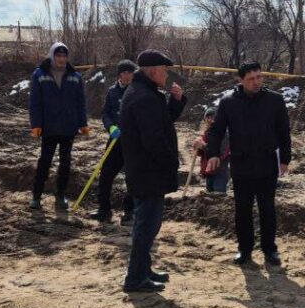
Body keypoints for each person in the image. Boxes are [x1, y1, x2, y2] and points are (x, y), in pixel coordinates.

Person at [206, 61, 291, 266]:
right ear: (240, 80)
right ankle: (244, 249)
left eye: (259, 77)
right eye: (251, 78)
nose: (256, 82)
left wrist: (285, 159)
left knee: (267, 208)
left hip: (267, 163)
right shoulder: (228, 102)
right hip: (241, 164)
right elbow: (217, 130)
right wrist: (213, 153)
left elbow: (284, 131)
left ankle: (269, 249)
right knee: (242, 209)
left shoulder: (274, 100)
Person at [120, 49, 187, 293]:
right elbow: (154, 139)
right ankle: (135, 278)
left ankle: (142, 270)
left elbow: (163, 121)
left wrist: (176, 102)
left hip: (145, 172)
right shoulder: (144, 97)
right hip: (148, 173)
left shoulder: (145, 93)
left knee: (146, 225)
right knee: (146, 227)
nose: (167, 75)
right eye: (165, 70)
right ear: (153, 71)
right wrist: (171, 162)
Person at [28, 42, 88, 211]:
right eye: (58, 56)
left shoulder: (75, 76)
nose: (61, 59)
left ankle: (60, 195)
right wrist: (36, 124)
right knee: (45, 162)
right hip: (49, 127)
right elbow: (35, 103)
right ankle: (36, 196)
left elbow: (80, 103)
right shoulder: (40, 75)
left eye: (64, 56)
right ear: (52, 56)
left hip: (69, 128)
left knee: (65, 163)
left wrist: (83, 123)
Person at [89, 59, 137, 225]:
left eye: (131, 73)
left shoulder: (137, 91)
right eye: (125, 73)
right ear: (119, 75)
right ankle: (104, 210)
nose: (128, 76)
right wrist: (110, 127)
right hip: (115, 140)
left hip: (132, 142)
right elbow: (106, 113)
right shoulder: (112, 92)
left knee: (133, 177)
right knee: (106, 175)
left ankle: (128, 212)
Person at [193, 107, 230, 194]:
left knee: (218, 196)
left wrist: (204, 146)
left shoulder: (223, 133)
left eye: (213, 117)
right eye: (208, 117)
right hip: (209, 170)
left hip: (219, 170)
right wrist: (198, 148)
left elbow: (222, 152)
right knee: (209, 195)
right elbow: (203, 153)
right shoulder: (207, 133)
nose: (210, 120)